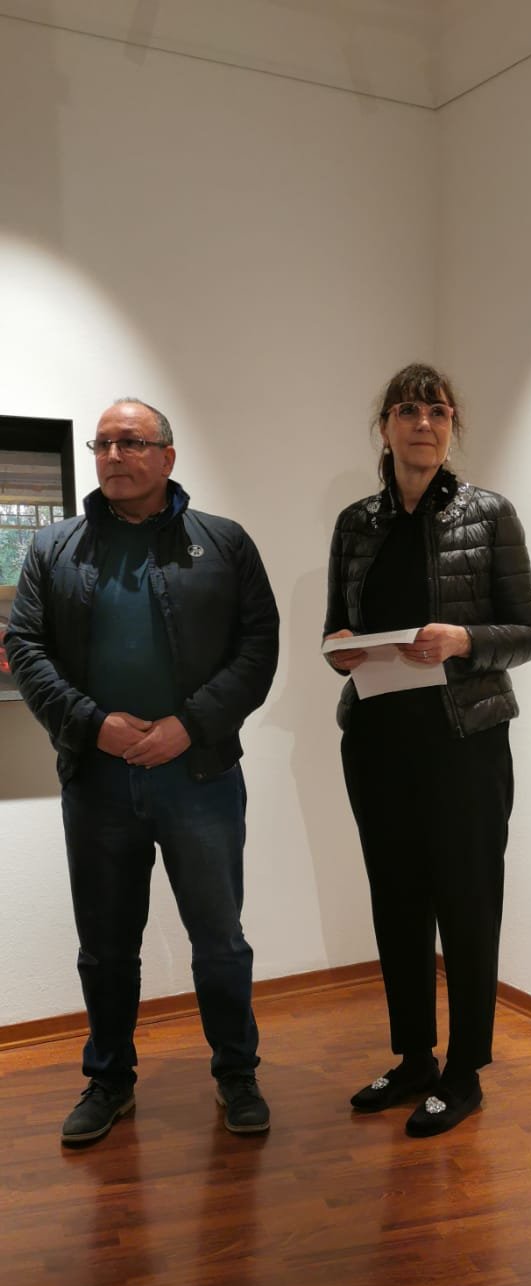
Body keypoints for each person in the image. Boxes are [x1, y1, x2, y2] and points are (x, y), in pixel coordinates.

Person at [6, 398, 279, 1144]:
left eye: (130, 442)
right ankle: (109, 1082)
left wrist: (188, 726)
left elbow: (258, 646)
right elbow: (25, 647)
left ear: (167, 455)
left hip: (201, 777)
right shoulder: (55, 548)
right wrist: (94, 725)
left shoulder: (223, 543)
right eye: (102, 444)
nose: (113, 456)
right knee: (105, 946)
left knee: (219, 940)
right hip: (97, 780)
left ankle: (237, 1074)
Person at [323, 362, 531, 1136]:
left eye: (439, 412)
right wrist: (342, 649)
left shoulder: (490, 514)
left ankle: (465, 1071)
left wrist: (463, 640)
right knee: (397, 903)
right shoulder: (356, 524)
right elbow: (336, 630)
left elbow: (529, 632)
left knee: (469, 904)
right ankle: (415, 1058)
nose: (424, 423)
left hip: (464, 743)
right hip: (377, 743)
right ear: (385, 426)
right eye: (409, 410)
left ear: (452, 428)